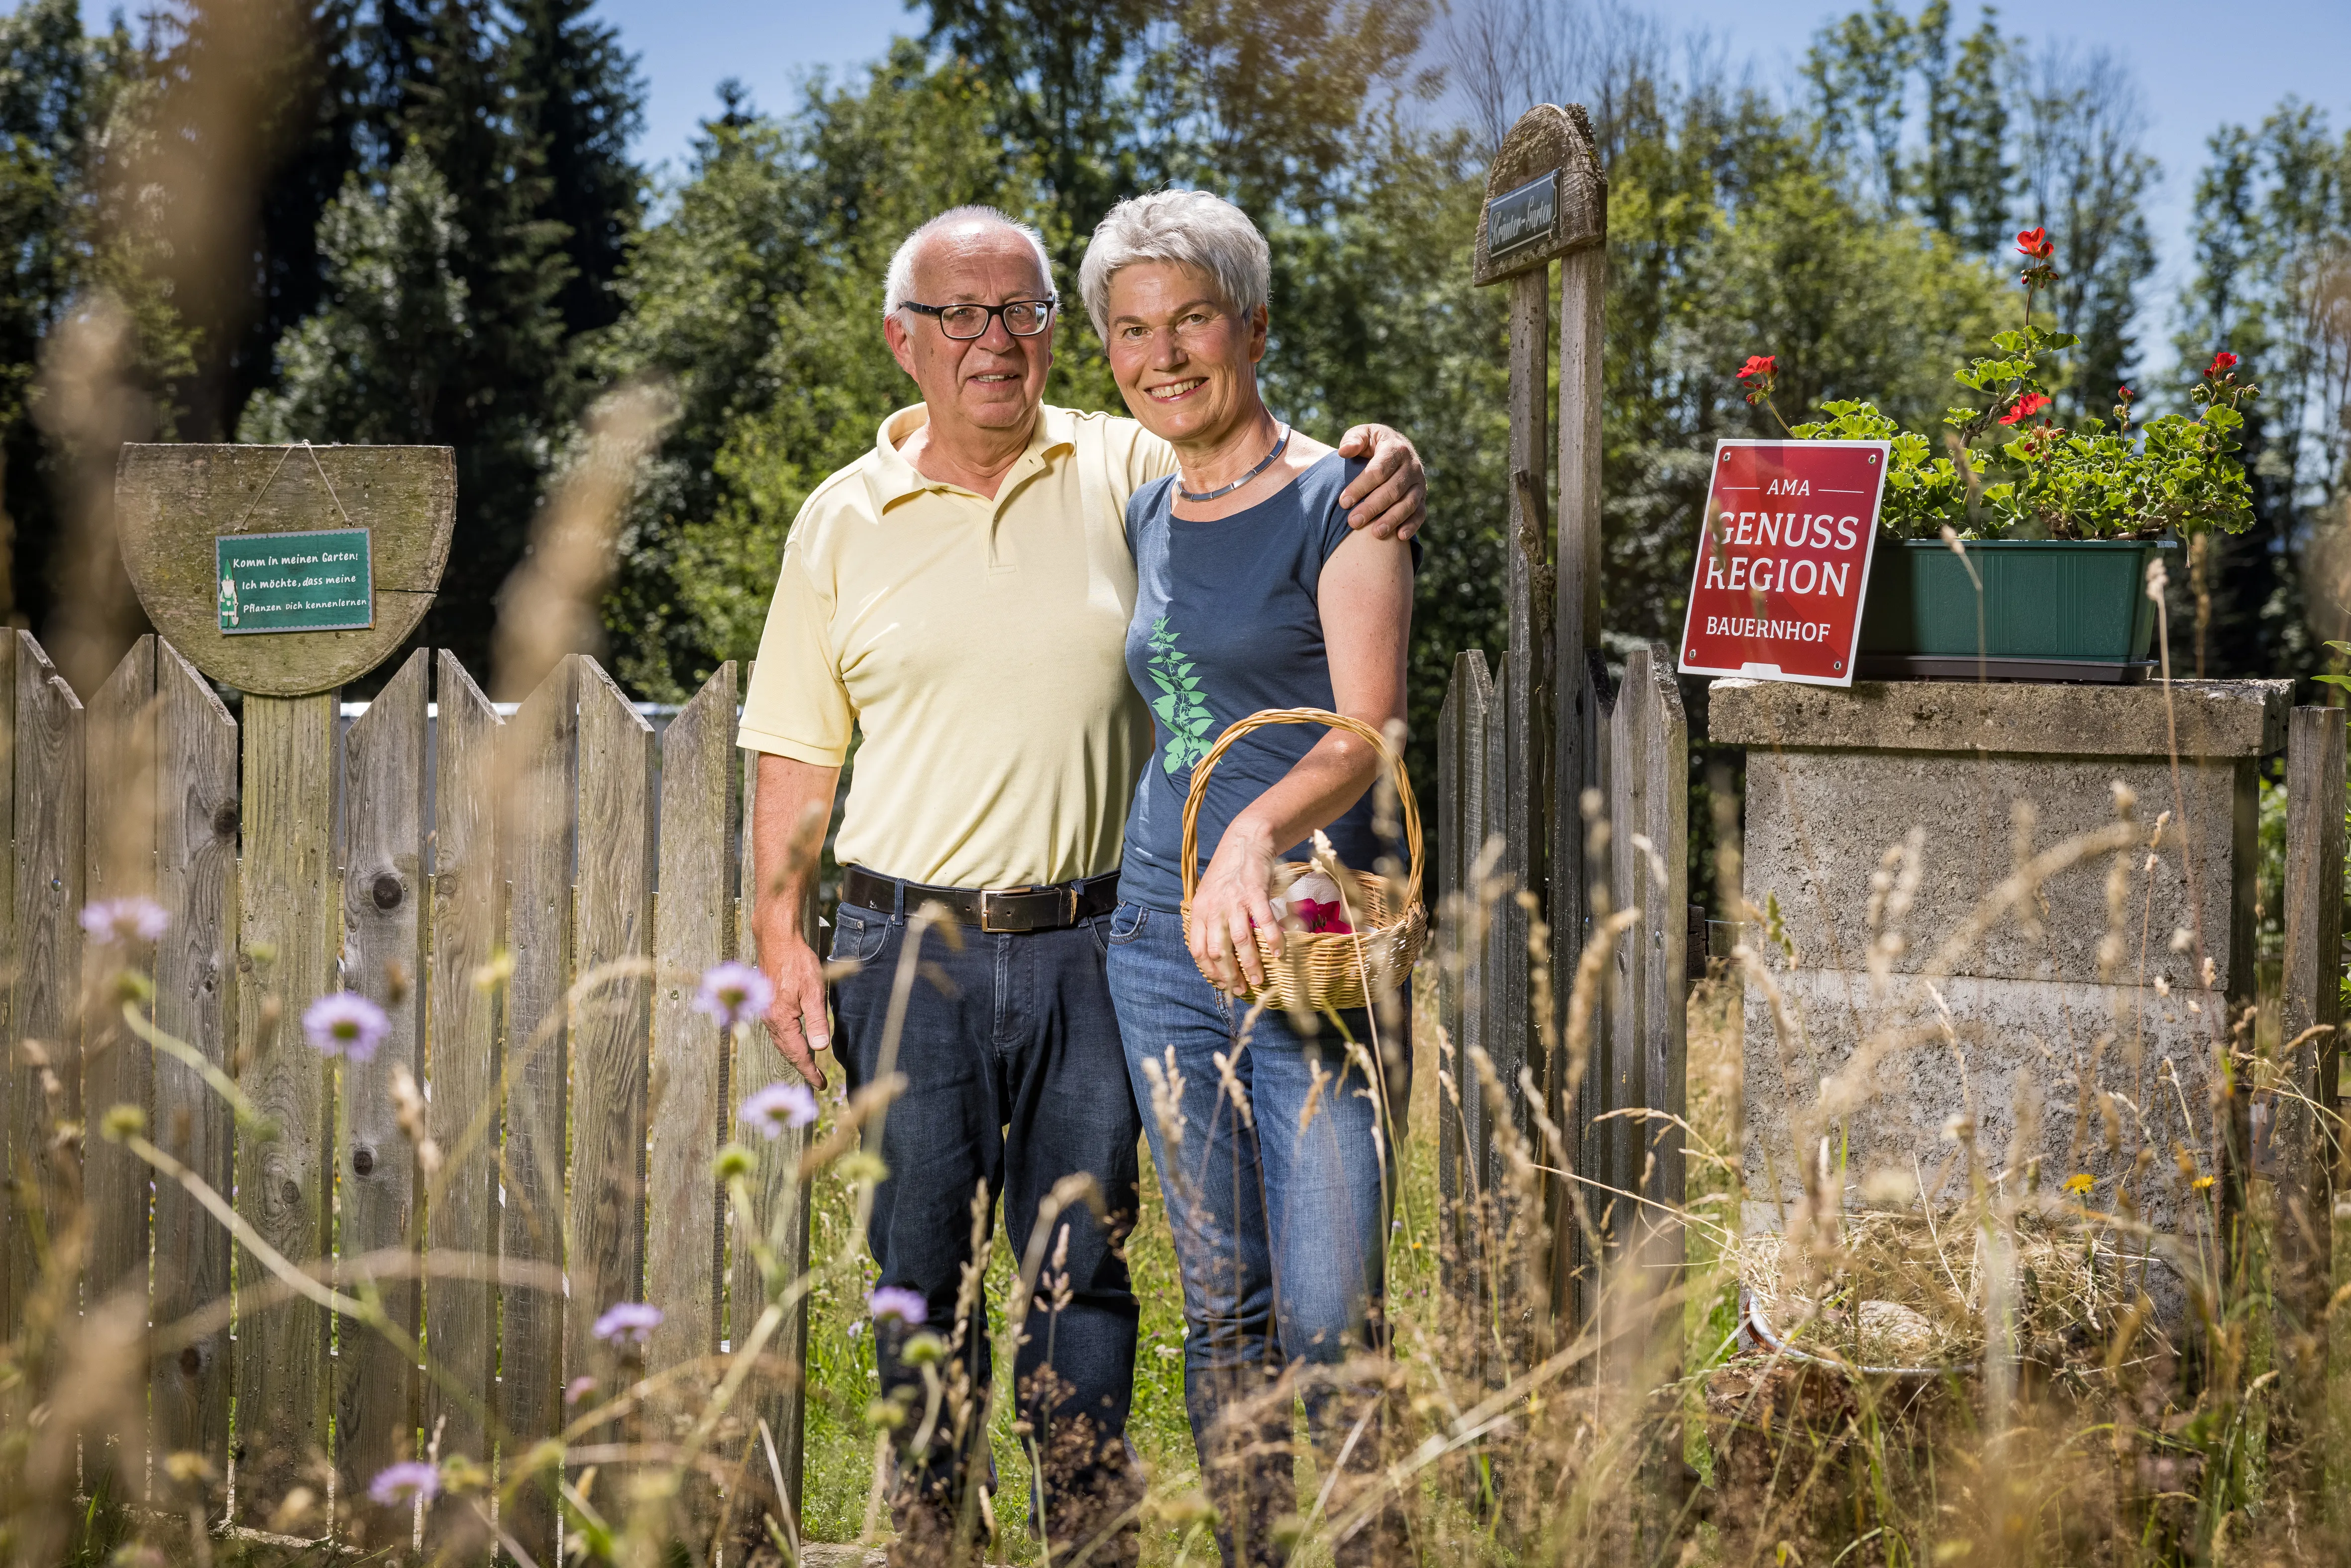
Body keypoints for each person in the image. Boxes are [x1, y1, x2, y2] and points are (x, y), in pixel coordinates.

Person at [736, 204, 1424, 1567]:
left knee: (1081, 1280)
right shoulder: (840, 520)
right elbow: (794, 749)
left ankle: (1089, 1546)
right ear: (902, 341)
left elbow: (1258, 445)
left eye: (1021, 312)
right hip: (902, 940)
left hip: (1089, 936)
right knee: (914, 1276)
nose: (995, 342)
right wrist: (780, 934)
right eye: (958, 315)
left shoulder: (1118, 458)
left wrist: (1386, 449)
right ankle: (932, 1538)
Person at [1083, 189, 1415, 1568]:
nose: (1163, 354)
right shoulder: (1147, 505)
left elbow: (1362, 728)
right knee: (1221, 1302)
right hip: (1161, 942)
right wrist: (1194, 857)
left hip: (1309, 928)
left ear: (1252, 324)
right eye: (1131, 331)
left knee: (1330, 1315)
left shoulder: (1347, 498)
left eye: (1192, 320)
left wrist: (1249, 834)